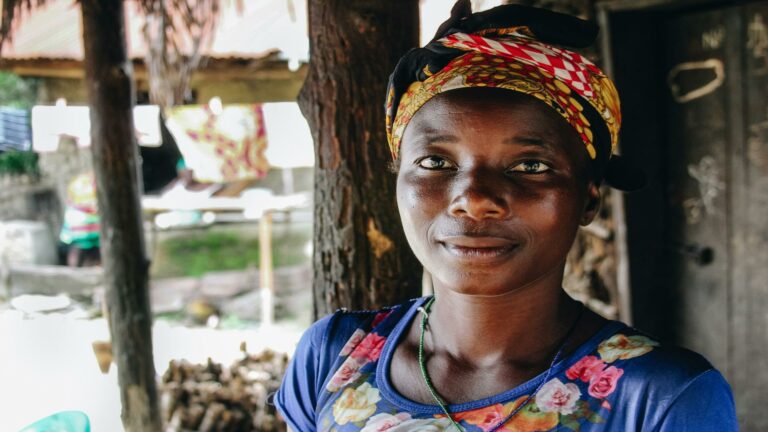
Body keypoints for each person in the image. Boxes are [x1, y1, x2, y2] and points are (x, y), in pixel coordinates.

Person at [275, 2, 738, 431]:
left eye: (530, 167)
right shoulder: (334, 357)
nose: (474, 199)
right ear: (397, 179)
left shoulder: (663, 398)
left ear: (590, 199)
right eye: (436, 162)